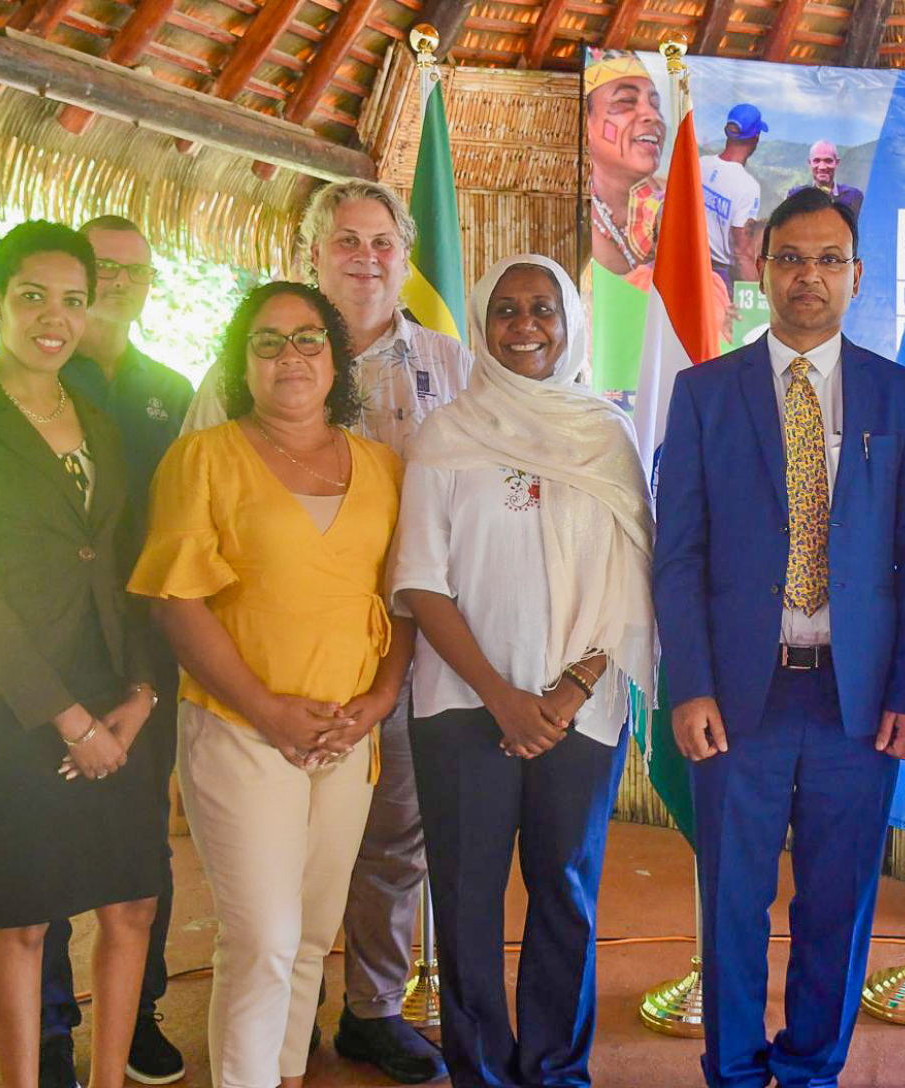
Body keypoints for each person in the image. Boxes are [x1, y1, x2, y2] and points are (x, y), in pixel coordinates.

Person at [185, 179, 470, 1084]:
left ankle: (373, 1007)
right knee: (268, 901)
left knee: (394, 840)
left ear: (405, 253)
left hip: (411, 657)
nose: (367, 257)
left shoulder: (455, 367)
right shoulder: (241, 373)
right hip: (269, 672)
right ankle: (279, 1019)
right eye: (346, 241)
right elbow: (194, 518)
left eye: (384, 242)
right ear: (314, 255)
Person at [653, 187, 905, 1088]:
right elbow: (679, 554)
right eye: (790, 259)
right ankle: (735, 1070)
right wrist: (688, 685)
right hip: (741, 694)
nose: (807, 277)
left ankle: (813, 1066)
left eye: (827, 261)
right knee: (732, 898)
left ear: (856, 276)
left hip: (857, 702)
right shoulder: (703, 393)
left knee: (839, 901)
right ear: (759, 266)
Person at [130, 282, 413, 1088]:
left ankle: (285, 1074)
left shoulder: (383, 467)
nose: (289, 355)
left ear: (335, 358)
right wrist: (268, 710)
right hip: (241, 729)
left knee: (313, 933)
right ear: (239, 364)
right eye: (267, 342)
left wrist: (381, 699)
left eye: (306, 339)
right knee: (260, 939)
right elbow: (175, 603)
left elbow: (408, 599)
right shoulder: (204, 458)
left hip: (348, 736)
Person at [390, 254, 656, 1088]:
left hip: (581, 707)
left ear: (570, 321)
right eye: (506, 310)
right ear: (481, 323)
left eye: (543, 308)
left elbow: (632, 574)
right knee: (466, 900)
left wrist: (568, 690)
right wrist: (502, 698)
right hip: (462, 706)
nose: (525, 325)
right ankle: (481, 1071)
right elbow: (419, 579)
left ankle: (555, 1068)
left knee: (565, 891)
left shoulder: (604, 432)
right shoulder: (447, 432)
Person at [0, 221, 165, 1088]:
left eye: (73, 299)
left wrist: (137, 693)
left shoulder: (100, 424)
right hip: (3, 702)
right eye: (34, 296)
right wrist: (68, 721)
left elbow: (126, 562)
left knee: (132, 901)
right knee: (25, 922)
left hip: (109, 690)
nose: (54, 318)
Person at [34, 214, 193, 1088]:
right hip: (52, 647)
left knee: (140, 847)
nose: (120, 281)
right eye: (105, 267)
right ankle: (52, 1025)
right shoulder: (36, 383)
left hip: (144, 648)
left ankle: (136, 1015)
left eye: (137, 269)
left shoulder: (171, 387)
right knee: (50, 835)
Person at [586, 49, 666, 277]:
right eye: (626, 101)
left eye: (655, 104)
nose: (652, 116)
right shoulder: (573, 219)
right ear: (585, 123)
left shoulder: (670, 201)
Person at [701, 104, 766, 291]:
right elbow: (741, 252)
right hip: (718, 279)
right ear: (756, 137)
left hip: (688, 264)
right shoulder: (748, 187)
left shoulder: (700, 164)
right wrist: (758, 295)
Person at [786, 141, 863, 220]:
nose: (822, 167)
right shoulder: (796, 195)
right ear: (810, 163)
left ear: (836, 163)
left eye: (828, 161)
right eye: (816, 161)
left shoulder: (853, 196)